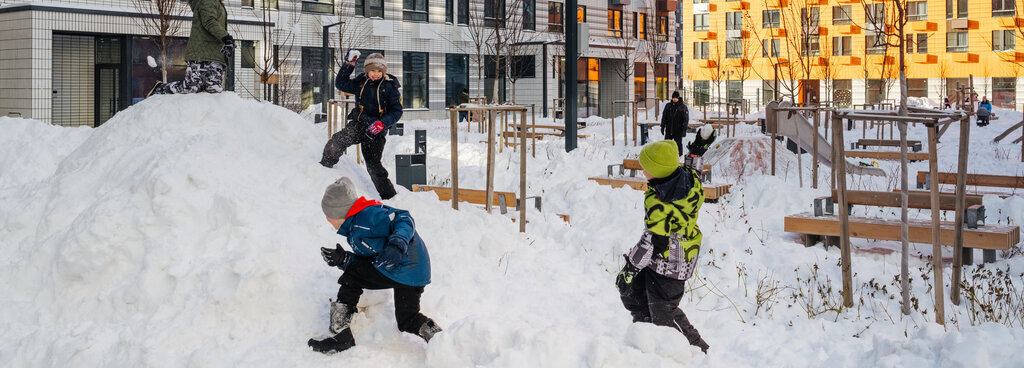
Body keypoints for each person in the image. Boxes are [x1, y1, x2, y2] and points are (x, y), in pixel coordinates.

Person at [308, 177, 442, 354]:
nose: (327, 219)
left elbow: (404, 217)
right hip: (413, 272)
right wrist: (343, 259)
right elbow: (370, 263)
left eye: (328, 214)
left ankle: (340, 335)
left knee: (352, 276)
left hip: (405, 266)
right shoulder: (354, 228)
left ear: (339, 212)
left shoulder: (368, 216)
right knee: (407, 319)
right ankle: (441, 339)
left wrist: (398, 243)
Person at [615, 126, 718, 354]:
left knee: (664, 317)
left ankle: (695, 351)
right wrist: (696, 152)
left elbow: (651, 241)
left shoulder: (660, 203)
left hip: (669, 268)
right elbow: (693, 170)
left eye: (646, 169)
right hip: (670, 262)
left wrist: (631, 267)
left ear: (658, 172)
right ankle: (645, 337)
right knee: (645, 300)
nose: (643, 172)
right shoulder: (687, 182)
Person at [319, 51, 401, 200]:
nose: (375, 74)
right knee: (338, 141)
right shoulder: (361, 82)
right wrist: (348, 65)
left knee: (373, 165)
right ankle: (324, 167)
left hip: (375, 130)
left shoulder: (389, 87)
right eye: (372, 70)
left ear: (383, 71)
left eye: (379, 71)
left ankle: (390, 197)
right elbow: (341, 83)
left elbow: (397, 111)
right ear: (366, 71)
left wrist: (383, 124)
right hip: (359, 124)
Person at [151, 0, 233, 95]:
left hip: (215, 56)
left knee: (213, 90)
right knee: (191, 88)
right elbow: (209, 21)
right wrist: (226, 37)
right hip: (201, 54)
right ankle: (160, 89)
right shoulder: (208, 2)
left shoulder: (217, 4)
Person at [660, 91, 689, 156]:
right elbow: (664, 116)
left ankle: (679, 156)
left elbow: (685, 119)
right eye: (673, 98)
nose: (674, 99)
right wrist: (662, 127)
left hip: (678, 130)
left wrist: (684, 130)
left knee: (678, 144)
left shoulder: (683, 107)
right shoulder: (668, 106)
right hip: (669, 129)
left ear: (678, 98)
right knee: (666, 144)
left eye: (676, 98)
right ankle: (666, 156)